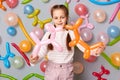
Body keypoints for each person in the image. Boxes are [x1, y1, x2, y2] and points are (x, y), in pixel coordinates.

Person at [30, 4, 74, 80]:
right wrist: (35, 58)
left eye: (62, 17)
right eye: (56, 18)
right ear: (52, 19)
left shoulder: (71, 33)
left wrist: (94, 50)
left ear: (67, 17)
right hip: (51, 70)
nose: (59, 20)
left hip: (67, 70)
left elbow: (82, 46)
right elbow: (42, 51)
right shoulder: (49, 34)